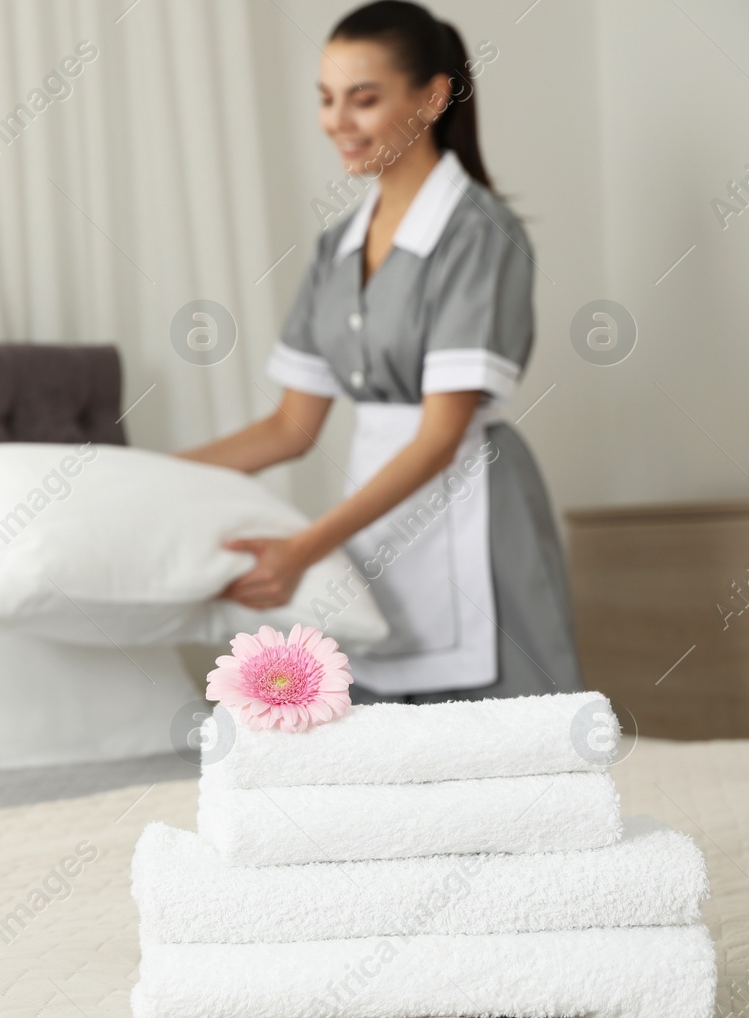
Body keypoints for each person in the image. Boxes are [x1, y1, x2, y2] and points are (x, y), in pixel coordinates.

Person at [181, 0, 581, 703]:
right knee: (378, 743)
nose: (338, 121)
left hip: (473, 507)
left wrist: (305, 550)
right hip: (374, 508)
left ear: (430, 98)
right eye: (327, 99)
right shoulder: (336, 247)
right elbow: (291, 427)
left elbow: (437, 438)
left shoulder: (478, 234)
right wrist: (143, 473)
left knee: (511, 741)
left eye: (363, 99)